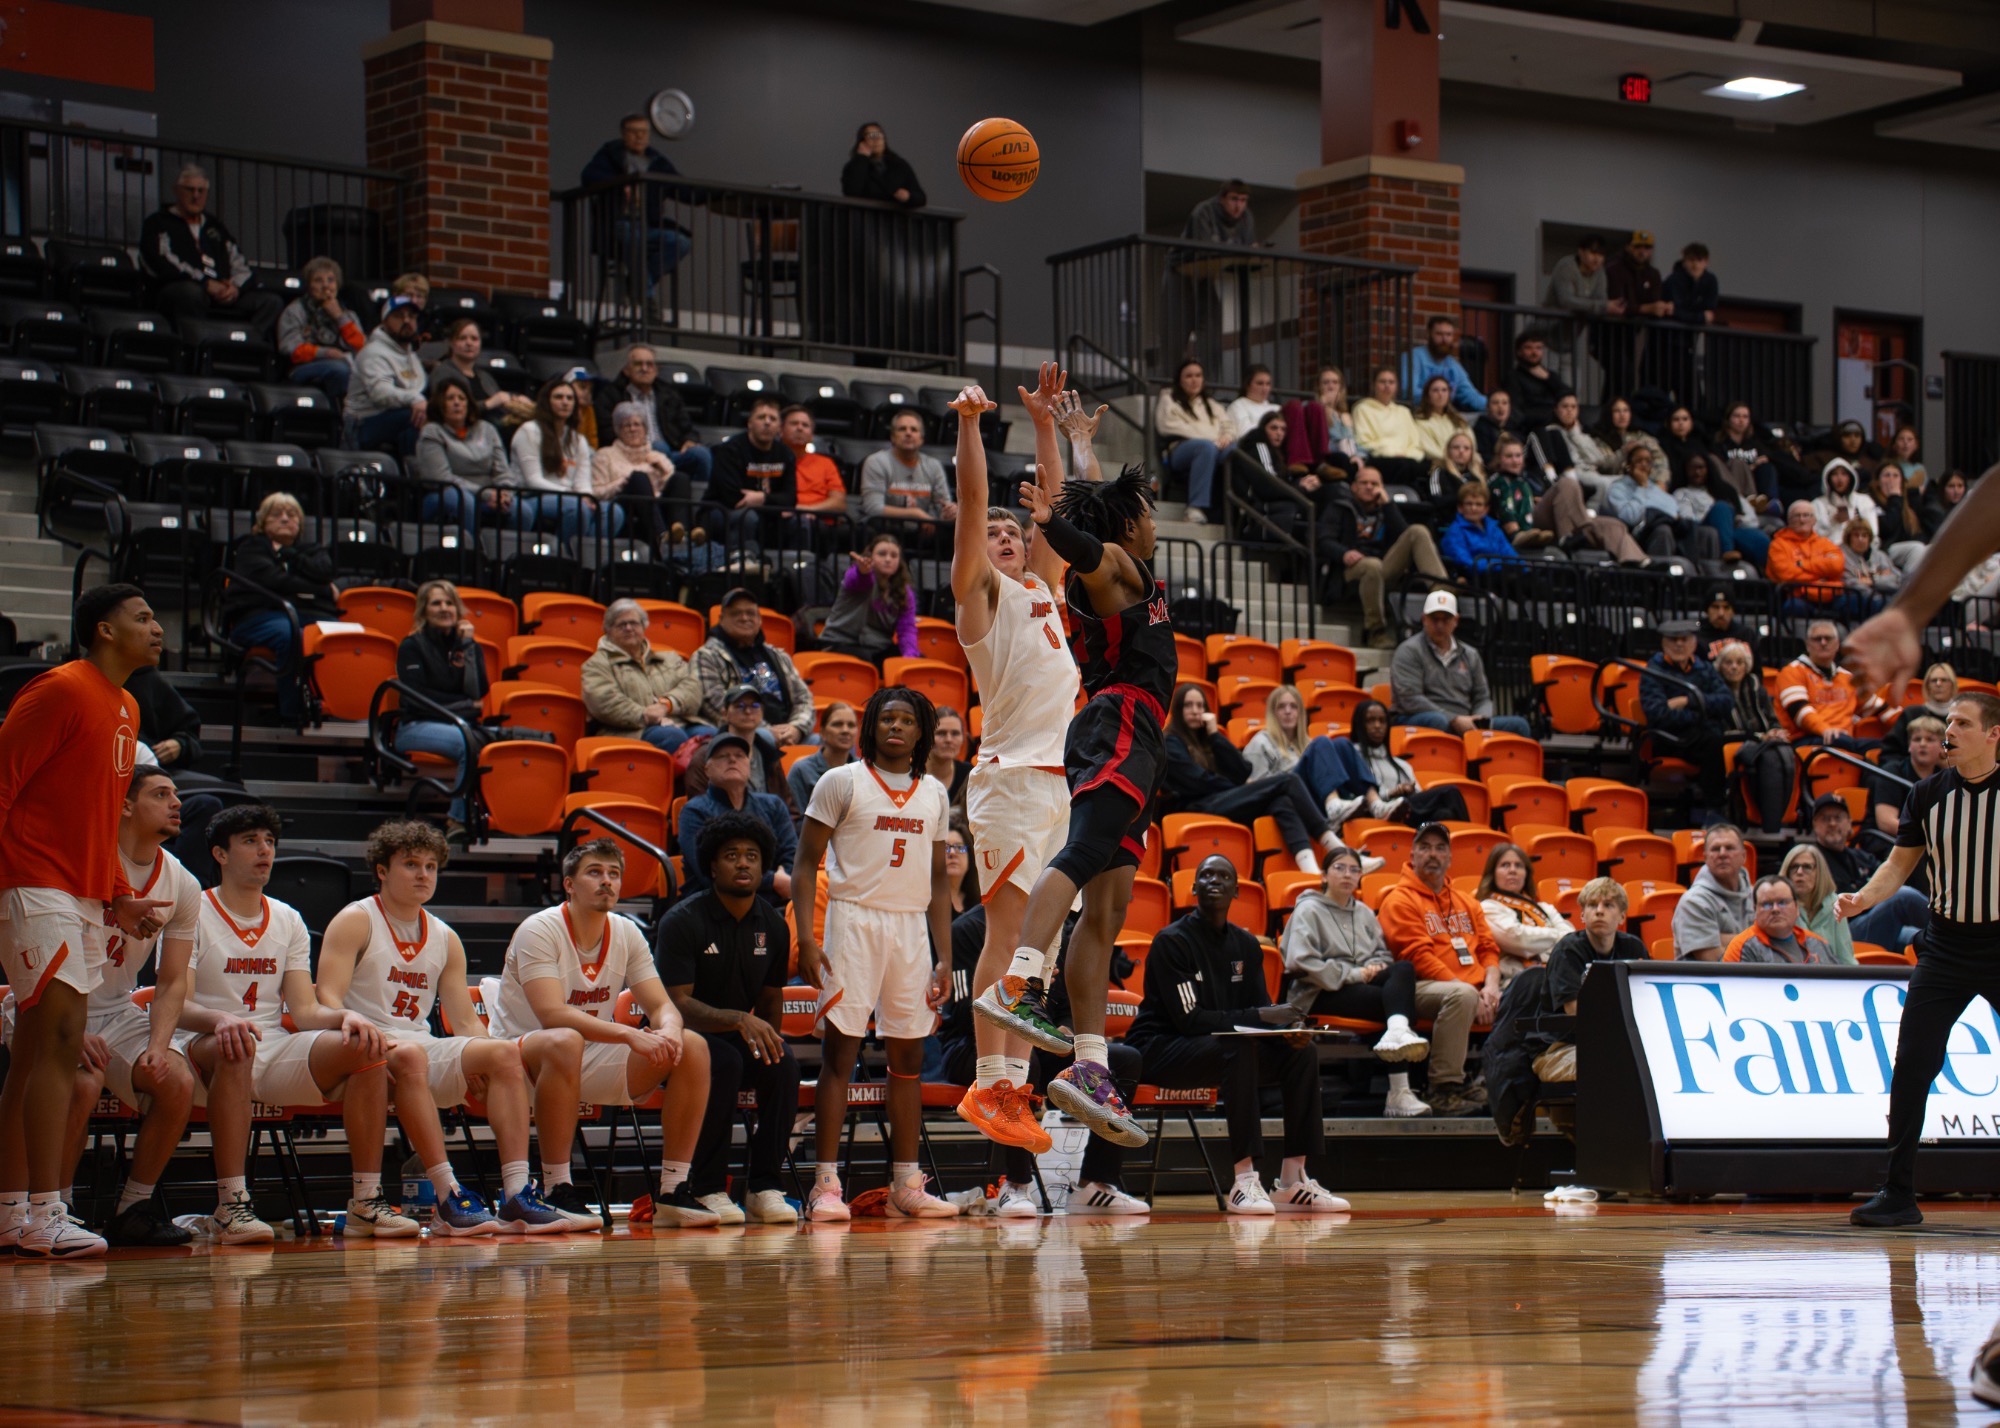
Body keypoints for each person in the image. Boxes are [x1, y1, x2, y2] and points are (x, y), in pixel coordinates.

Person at [981, 459, 1169, 1148]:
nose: (1156, 522)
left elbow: (1099, 523)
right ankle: (1021, 983)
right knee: (1085, 852)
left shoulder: (1126, 566)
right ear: (1128, 525)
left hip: (1140, 731)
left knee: (1111, 908)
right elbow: (1089, 545)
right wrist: (1050, 523)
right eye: (1147, 512)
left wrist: (1083, 455)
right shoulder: (1115, 561)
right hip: (1122, 719)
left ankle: (1090, 1065)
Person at [184, 805, 455, 1241]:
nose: (264, 851)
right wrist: (219, 1019)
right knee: (238, 1044)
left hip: (271, 1043)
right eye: (250, 841)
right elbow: (172, 1001)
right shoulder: (192, 910)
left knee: (369, 1045)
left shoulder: (288, 918)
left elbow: (306, 1012)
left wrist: (348, 1015)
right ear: (220, 853)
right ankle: (230, 1204)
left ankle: (366, 1201)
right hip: (200, 1041)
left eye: (270, 842)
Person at [944, 374, 1095, 1154]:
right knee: (1006, 939)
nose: (1007, 539)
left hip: (1055, 788)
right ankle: (986, 1083)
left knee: (1044, 954)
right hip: (1006, 781)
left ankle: (1019, 1092)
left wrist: (1047, 428)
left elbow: (1058, 511)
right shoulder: (981, 597)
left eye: (1015, 534)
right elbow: (973, 508)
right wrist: (972, 426)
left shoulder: (1043, 587)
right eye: (996, 536)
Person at [0, 586, 174, 1258]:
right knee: (61, 1039)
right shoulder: (60, 690)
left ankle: (14, 1208)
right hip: (33, 881)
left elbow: (101, 818)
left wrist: (116, 894)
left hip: (77, 891)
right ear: (104, 630)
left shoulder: (128, 707)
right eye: (144, 617)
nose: (157, 628)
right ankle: (47, 1207)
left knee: (34, 1051)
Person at [315, 821, 567, 1233]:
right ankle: (448, 1195)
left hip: (416, 1043)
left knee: (504, 1052)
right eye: (411, 864)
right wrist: (350, 1022)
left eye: (431, 866)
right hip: (362, 1046)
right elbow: (327, 996)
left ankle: (517, 1192)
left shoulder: (444, 936)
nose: (423, 875)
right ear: (382, 870)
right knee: (412, 1054)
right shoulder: (356, 920)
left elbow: (465, 1019)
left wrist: (484, 1063)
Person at [488, 838, 719, 1228]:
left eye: (614, 874)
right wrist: (628, 1034)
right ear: (569, 884)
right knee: (564, 1040)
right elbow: (551, 1014)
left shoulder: (626, 932)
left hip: (587, 1055)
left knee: (693, 1046)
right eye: (594, 872)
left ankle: (672, 1191)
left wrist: (671, 1031)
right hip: (520, 1060)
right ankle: (555, 1188)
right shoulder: (539, 930)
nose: (607, 882)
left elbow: (662, 1005)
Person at [1837, 691, 2000, 1227]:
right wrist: (1863, 898)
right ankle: (1898, 1193)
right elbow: (1898, 864)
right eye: (1947, 720)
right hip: (1947, 945)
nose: (1949, 730)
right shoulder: (1927, 795)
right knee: (1912, 1067)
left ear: (1993, 734)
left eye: (1961, 722)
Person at [794, 686, 957, 1220]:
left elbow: (937, 879)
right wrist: (807, 938)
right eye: (886, 717)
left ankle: (905, 1183)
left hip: (911, 928)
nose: (895, 726)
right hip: (853, 920)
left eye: (907, 720)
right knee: (841, 1054)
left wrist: (944, 955)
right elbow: (804, 864)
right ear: (871, 726)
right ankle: (825, 1185)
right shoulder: (840, 781)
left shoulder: (934, 792)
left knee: (908, 1058)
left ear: (921, 731)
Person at [1127, 855, 1346, 1213]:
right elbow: (1191, 1021)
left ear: (1237, 891)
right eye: (1206, 874)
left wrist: (1287, 1030)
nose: (1214, 880)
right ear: (1194, 887)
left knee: (1301, 1053)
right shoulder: (1172, 942)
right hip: (1161, 1049)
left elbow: (1259, 1016)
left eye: (1223, 876)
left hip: (1219, 1049)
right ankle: (1245, 1180)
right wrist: (1261, 1016)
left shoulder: (1246, 946)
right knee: (1238, 1048)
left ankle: (1293, 1180)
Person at [53, 767, 201, 1246]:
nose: (176, 802)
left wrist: (159, 1044)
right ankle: (55, 1207)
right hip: (49, 1002)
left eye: (177, 794)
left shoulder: (183, 883)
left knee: (176, 1078)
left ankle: (133, 1207)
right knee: (83, 1080)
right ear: (124, 805)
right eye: (161, 794)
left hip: (116, 1010)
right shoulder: (81, 857)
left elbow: (173, 979)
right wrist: (71, 1027)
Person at [660, 811, 800, 1225]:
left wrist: (768, 1038)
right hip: (682, 1040)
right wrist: (740, 1019)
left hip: (735, 1036)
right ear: (712, 865)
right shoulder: (683, 921)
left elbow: (771, 1000)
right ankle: (706, 1187)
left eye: (753, 856)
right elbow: (675, 1003)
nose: (743, 863)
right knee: (723, 1061)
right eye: (732, 855)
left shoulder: (773, 924)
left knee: (783, 1063)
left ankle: (764, 1186)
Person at [1279, 847, 1432, 1115]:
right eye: (1339, 868)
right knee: (1395, 1004)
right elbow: (1300, 962)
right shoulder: (1308, 909)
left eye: (1354, 869)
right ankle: (1400, 1091)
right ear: (1324, 875)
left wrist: (1376, 966)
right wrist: (1354, 974)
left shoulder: (1363, 912)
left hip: (1362, 984)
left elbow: (1383, 952)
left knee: (1404, 969)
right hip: (1319, 990)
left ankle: (1398, 1033)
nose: (1347, 874)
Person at [1161, 682, 1345, 876]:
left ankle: (1309, 869)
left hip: (1218, 801)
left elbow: (1242, 770)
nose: (1195, 711)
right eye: (1188, 705)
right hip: (1193, 806)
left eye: (1200, 706)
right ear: (1178, 709)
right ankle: (1333, 846)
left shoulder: (1209, 740)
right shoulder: (1170, 741)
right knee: (1288, 780)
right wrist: (1236, 787)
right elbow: (1198, 782)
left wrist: (1215, 735)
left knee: (1281, 801)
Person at [1375, 824, 1495, 1116]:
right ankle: (1443, 1087)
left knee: (1525, 989)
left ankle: (1498, 1082)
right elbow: (1418, 956)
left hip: (1473, 989)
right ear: (1412, 854)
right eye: (1425, 847)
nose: (1433, 854)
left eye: (1440, 848)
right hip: (1420, 987)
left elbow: (1488, 949)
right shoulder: (1399, 899)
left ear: (1450, 857)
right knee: (1462, 995)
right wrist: (1471, 991)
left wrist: (1491, 987)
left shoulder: (1467, 901)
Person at [1522, 878, 1647, 1101]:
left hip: (1613, 1044)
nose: (1599, 911)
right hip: (1558, 1049)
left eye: (1608, 905)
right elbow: (1578, 1013)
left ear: (1622, 916)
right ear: (1582, 915)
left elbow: (1646, 1003)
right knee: (1611, 1066)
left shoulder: (1633, 947)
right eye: (1592, 905)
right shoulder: (1568, 951)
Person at [222, 491, 337, 722]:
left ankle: (335, 707)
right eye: (277, 514)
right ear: (263, 521)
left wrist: (292, 558)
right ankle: (292, 712)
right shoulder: (251, 548)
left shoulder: (312, 550)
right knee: (289, 632)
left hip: (307, 615)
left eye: (292, 514)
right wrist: (322, 590)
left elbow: (324, 571)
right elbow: (275, 581)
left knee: (340, 635)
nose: (285, 518)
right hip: (258, 618)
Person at [393, 581, 489, 838]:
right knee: (467, 742)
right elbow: (418, 698)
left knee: (502, 747)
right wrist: (467, 707)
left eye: (449, 603)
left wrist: (468, 647)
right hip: (415, 726)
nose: (444, 609)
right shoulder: (411, 646)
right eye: (436, 603)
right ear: (423, 610)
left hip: (459, 724)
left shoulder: (468, 645)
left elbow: (477, 691)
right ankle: (457, 821)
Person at [137, 164, 281, 333]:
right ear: (177, 190)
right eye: (190, 190)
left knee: (271, 302)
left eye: (201, 191)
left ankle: (243, 350)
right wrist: (205, 283)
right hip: (178, 291)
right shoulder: (158, 222)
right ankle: (195, 350)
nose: (196, 196)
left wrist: (234, 288)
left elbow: (239, 263)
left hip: (220, 292)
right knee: (190, 293)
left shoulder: (215, 227)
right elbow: (161, 262)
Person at [1317, 465, 1449, 649]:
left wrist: (1388, 505)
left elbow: (1404, 535)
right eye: (1364, 483)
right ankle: (1376, 631)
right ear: (1354, 486)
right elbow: (1324, 540)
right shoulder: (1340, 507)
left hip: (1382, 566)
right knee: (1372, 565)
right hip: (1349, 569)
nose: (1369, 487)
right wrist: (1343, 553)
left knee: (1417, 531)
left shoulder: (1385, 511)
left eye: (1374, 483)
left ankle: (1442, 592)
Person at [1294, 698, 1467, 831]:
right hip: (1370, 813)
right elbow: (1353, 799)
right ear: (1359, 725)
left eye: (1382, 721)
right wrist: (1390, 793)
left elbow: (1421, 801)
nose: (1377, 726)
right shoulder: (1348, 756)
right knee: (1449, 792)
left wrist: (1410, 791)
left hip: (1404, 814)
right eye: (1370, 721)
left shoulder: (1402, 765)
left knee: (1444, 816)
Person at [581, 114, 692, 317]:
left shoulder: (656, 161)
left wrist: (713, 197)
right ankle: (646, 297)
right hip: (618, 224)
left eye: (643, 132)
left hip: (648, 225)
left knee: (680, 242)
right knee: (634, 237)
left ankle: (636, 284)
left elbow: (680, 187)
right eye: (634, 132)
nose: (639, 137)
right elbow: (589, 176)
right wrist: (620, 184)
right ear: (624, 134)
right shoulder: (610, 155)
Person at [1387, 589, 1531, 737]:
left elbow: (1482, 697)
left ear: (1456, 620)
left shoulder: (1470, 654)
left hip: (1465, 719)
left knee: (1519, 725)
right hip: (1419, 718)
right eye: (1434, 619)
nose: (1440, 625)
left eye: (1446, 619)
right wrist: (1453, 719)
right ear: (1424, 619)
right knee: (1437, 721)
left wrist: (1479, 718)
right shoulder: (1409, 650)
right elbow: (1410, 699)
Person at [1491, 433, 1645, 564]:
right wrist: (1516, 534)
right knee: (1567, 483)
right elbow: (1507, 514)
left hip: (1553, 523)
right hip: (1529, 531)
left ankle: (1637, 563)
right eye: (1508, 456)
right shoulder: (1498, 481)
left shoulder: (1526, 481)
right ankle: (1569, 537)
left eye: (1518, 456)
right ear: (1498, 459)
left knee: (1612, 525)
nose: (1515, 460)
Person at [679, 733, 796, 903]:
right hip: (710, 908)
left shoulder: (773, 805)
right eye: (723, 756)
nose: (732, 760)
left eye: (739, 756)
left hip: (772, 904)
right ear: (707, 769)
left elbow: (791, 854)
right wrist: (773, 882)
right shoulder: (694, 811)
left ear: (749, 767)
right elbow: (707, 873)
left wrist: (784, 879)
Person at [581, 599, 710, 752]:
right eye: (621, 624)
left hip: (678, 722)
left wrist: (666, 705)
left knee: (711, 736)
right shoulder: (596, 664)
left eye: (634, 623)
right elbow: (604, 702)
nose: (629, 628)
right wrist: (646, 715)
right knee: (672, 737)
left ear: (644, 627)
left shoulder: (669, 658)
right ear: (607, 630)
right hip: (629, 731)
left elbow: (692, 687)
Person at [1809, 792, 1928, 951]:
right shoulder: (1810, 860)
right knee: (1903, 897)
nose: (1832, 823)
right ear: (1814, 824)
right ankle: (1952, 929)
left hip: (1879, 924)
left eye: (1838, 818)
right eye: (1825, 818)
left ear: (1849, 823)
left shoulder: (1862, 857)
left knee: (1924, 938)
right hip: (1842, 934)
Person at [694, 588, 816, 741]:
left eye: (750, 613)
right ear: (721, 619)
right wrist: (766, 730)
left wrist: (796, 728)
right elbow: (715, 704)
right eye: (736, 613)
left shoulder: (778, 655)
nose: (745, 618)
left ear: (759, 619)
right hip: (740, 732)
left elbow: (804, 698)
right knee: (765, 737)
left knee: (819, 742)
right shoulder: (707, 656)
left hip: (787, 730)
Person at [1639, 619, 1734, 811]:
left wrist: (1688, 702)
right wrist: (1701, 715)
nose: (1679, 644)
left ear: (1694, 643)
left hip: (1701, 734)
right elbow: (1659, 715)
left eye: (1684, 639)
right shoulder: (1653, 672)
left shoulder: (1704, 668)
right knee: (1714, 742)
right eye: (1673, 640)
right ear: (1664, 643)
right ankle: (1715, 810)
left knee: (1737, 745)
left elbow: (1726, 701)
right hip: (1670, 738)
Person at [415, 376, 526, 534]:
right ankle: (468, 553)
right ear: (439, 404)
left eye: (462, 398)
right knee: (463, 500)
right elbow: (441, 478)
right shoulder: (432, 431)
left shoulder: (487, 429)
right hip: (445, 493)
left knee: (522, 510)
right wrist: (487, 494)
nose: (457, 402)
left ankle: (507, 555)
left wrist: (504, 494)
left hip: (490, 494)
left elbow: (502, 471)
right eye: (450, 398)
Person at [515, 379, 621, 540]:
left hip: (570, 498)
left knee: (614, 511)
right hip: (532, 496)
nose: (565, 402)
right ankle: (563, 554)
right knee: (577, 508)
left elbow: (582, 481)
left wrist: (587, 497)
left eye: (570, 398)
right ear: (546, 401)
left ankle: (586, 557)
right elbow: (533, 480)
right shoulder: (529, 431)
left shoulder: (577, 439)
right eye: (558, 397)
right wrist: (572, 495)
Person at [1713, 640, 1795, 835]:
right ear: (1720, 666)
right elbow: (1720, 729)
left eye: (1739, 662)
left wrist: (1775, 731)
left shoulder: (1756, 685)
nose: (1734, 667)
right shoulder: (1715, 688)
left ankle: (1777, 817)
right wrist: (1760, 736)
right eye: (1729, 662)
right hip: (1733, 742)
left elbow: (1771, 718)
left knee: (1784, 751)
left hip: (1762, 742)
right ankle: (1764, 819)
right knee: (1766, 756)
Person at [593, 345, 711, 480]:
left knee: (701, 454)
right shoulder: (611, 395)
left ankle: (699, 499)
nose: (645, 369)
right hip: (631, 455)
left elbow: (687, 427)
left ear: (656, 370)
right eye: (638, 364)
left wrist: (690, 440)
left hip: (671, 453)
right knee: (659, 447)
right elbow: (606, 430)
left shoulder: (669, 394)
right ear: (626, 370)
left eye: (649, 364)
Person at [705, 394, 800, 556]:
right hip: (720, 512)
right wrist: (772, 503)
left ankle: (794, 571)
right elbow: (732, 496)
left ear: (779, 427)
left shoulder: (785, 454)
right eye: (761, 417)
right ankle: (740, 567)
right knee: (748, 517)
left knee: (798, 522)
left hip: (763, 512)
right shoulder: (730, 450)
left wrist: (762, 499)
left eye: (773, 419)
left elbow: (790, 498)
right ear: (749, 423)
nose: (767, 422)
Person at [681, 683, 795, 808]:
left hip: (769, 825)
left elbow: (788, 806)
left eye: (755, 705)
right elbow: (699, 810)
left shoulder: (769, 753)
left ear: (762, 713)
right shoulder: (705, 756)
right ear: (724, 713)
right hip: (723, 825)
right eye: (739, 706)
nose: (748, 711)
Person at [1475, 842, 1573, 989]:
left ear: (1526, 874)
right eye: (1505, 865)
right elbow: (1518, 938)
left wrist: (1541, 940)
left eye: (1519, 866)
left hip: (1556, 975)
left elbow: (1570, 940)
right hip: (1513, 981)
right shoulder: (1488, 907)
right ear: (1493, 873)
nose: (1512, 870)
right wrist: (1556, 935)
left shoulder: (1545, 908)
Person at [1778, 619, 1885, 751]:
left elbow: (1878, 708)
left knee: (1883, 748)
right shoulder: (1792, 672)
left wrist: (1906, 726)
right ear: (1807, 645)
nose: (1823, 643)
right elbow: (1799, 712)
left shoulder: (1847, 678)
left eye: (1828, 638)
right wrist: (1825, 730)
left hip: (1844, 740)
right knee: (1849, 744)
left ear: (1837, 644)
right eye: (1817, 639)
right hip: (1807, 739)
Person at [592, 399, 686, 549]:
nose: (632, 429)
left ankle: (681, 534)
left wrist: (664, 471)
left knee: (680, 478)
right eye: (626, 425)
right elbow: (596, 492)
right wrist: (622, 482)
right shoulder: (604, 455)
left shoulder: (656, 456)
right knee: (638, 477)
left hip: (655, 507)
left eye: (637, 424)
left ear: (645, 429)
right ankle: (660, 535)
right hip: (624, 508)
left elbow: (669, 488)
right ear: (617, 430)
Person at [345, 295, 429, 454]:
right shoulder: (374, 353)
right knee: (416, 417)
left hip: (394, 417)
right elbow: (381, 394)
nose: (406, 321)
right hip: (363, 422)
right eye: (398, 316)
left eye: (411, 316)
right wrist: (415, 399)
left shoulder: (409, 354)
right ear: (384, 322)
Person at [277, 255, 365, 406]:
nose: (326, 286)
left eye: (330, 280)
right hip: (303, 368)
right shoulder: (295, 310)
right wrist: (326, 353)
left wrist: (339, 317)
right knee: (340, 369)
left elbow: (362, 347)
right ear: (309, 286)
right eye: (318, 280)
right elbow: (290, 348)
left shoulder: (348, 315)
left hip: (347, 364)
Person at [1156, 360, 1236, 526]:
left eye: (1198, 375)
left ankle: (1238, 506)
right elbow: (1167, 426)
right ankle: (1195, 508)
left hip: (1214, 447)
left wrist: (1226, 437)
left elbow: (1229, 426)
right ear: (1180, 380)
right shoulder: (1168, 398)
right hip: (1180, 449)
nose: (1194, 380)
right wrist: (1213, 438)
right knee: (1205, 447)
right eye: (1189, 376)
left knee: (1234, 449)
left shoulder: (1212, 404)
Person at [819, 533, 918, 665]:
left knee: (916, 661)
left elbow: (907, 629)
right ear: (870, 556)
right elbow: (860, 581)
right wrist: (863, 572)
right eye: (882, 554)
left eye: (894, 555)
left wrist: (909, 656)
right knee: (865, 660)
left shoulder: (904, 592)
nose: (888, 559)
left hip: (877, 648)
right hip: (839, 642)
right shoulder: (856, 574)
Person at [1670, 823, 1755, 960]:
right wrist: (1757, 939)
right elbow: (1715, 962)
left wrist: (1723, 940)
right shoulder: (1694, 902)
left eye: (1729, 848)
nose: (1722, 854)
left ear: (1743, 856)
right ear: (1705, 857)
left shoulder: (1757, 896)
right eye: (1715, 849)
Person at [429, 318, 535, 427]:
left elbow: (501, 401)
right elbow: (445, 408)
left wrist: (515, 398)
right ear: (451, 343)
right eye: (462, 338)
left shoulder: (485, 376)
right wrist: (489, 403)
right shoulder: (442, 372)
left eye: (474, 339)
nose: (469, 343)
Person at [1674, 450, 1769, 567]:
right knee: (1721, 508)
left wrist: (1737, 520)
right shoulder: (1682, 493)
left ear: (1708, 469)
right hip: (1706, 529)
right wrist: (1719, 517)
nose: (1697, 472)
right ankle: (1727, 551)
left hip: (1733, 529)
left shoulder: (1725, 490)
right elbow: (1688, 519)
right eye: (1692, 468)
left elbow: (1751, 518)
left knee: (1760, 539)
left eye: (1701, 468)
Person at [1721, 875, 1831, 964]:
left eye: (1782, 902)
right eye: (1767, 904)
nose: (1775, 909)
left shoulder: (1817, 943)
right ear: (1755, 910)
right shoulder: (1742, 946)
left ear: (1796, 908)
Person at [1350, 367, 1428, 488]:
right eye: (1382, 382)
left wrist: (1407, 454)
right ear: (1373, 385)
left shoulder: (1404, 412)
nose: (1387, 386)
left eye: (1391, 382)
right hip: (1379, 458)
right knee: (1404, 466)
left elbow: (1415, 442)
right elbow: (1362, 440)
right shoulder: (1362, 409)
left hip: (1406, 458)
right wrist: (1391, 452)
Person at [1780, 844, 1857, 966]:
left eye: (1807, 867)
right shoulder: (1779, 907)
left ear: (1819, 872)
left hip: (1829, 981)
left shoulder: (1835, 905)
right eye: (1794, 867)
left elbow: (1846, 959)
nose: (1799, 872)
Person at [1532, 393, 1620, 499]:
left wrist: (1576, 435)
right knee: (1607, 484)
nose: (1569, 410)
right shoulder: (1550, 432)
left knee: (1626, 482)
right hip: (1573, 473)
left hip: (1593, 472)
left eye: (1573, 407)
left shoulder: (1583, 432)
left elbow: (1598, 459)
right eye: (1565, 406)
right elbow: (1570, 461)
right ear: (1556, 409)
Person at [1874, 713, 1945, 842]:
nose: (1922, 744)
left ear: (1942, 747)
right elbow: (1886, 823)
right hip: (1890, 841)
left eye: (1930, 739)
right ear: (1909, 746)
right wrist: (1929, 836)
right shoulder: (1892, 772)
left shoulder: (1944, 775)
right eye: (1917, 739)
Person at [1769, 502, 1852, 610]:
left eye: (1806, 515)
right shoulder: (1778, 545)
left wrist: (1802, 564)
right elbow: (1785, 575)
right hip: (1798, 597)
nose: (1802, 520)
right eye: (1797, 516)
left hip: (1830, 596)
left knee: (1855, 602)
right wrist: (1822, 576)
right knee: (1794, 607)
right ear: (1789, 520)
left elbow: (1836, 566)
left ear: (1814, 520)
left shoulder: (1825, 543)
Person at [1281, 366, 1360, 479]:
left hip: (1348, 456)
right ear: (1318, 387)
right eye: (1326, 383)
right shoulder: (1310, 409)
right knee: (1341, 458)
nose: (1331, 386)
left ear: (1341, 387)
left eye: (1335, 382)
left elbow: (1354, 443)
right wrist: (1322, 404)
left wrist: (1358, 456)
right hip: (1325, 456)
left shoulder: (1344, 415)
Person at [1403, 316, 1487, 414]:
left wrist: (1494, 404)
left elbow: (1470, 394)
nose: (1444, 339)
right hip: (1418, 414)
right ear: (1429, 334)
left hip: (1444, 416)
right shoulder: (1414, 357)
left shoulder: (1453, 365)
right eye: (1439, 334)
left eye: (1448, 335)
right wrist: (1438, 398)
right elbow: (1407, 391)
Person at [788, 701, 857, 812]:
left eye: (851, 725)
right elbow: (797, 821)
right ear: (822, 733)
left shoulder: (866, 770)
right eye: (837, 724)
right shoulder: (801, 770)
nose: (845, 730)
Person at [1439, 481, 1519, 576]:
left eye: (1478, 504)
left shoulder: (1494, 528)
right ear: (1460, 507)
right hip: (1478, 581)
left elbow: (1510, 554)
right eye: (1469, 504)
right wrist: (1500, 565)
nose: (1474, 508)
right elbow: (1466, 564)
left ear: (1486, 509)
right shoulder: (1454, 532)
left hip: (1504, 576)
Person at [782, 405, 848, 517]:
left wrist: (806, 510)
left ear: (812, 435)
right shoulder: (772, 461)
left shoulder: (826, 464)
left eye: (805, 425)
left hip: (819, 520)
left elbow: (839, 504)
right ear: (780, 430)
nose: (800, 428)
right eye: (794, 423)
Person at [841, 121, 925, 207]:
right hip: (865, 217)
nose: (876, 140)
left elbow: (921, 198)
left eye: (879, 135)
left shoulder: (899, 165)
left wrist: (908, 197)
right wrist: (861, 159)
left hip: (894, 218)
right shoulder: (854, 167)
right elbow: (852, 192)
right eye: (870, 135)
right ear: (862, 142)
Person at [1502, 330, 1572, 431]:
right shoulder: (1513, 377)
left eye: (1538, 348)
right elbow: (1517, 409)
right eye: (1528, 348)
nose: (1534, 352)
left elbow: (1569, 395)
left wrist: (1548, 379)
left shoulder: (1550, 376)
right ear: (1519, 351)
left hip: (1558, 425)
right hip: (1533, 428)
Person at [1871, 463, 1931, 576]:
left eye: (1895, 476)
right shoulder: (1871, 501)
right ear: (1878, 482)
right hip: (1883, 549)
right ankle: (1909, 588)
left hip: (1903, 548)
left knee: (1932, 549)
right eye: (1886, 475)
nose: (1891, 480)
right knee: (1916, 548)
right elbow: (1887, 527)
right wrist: (1894, 498)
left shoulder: (1907, 504)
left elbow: (1916, 533)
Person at [1543, 234, 1622, 319]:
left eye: (1601, 255)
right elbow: (1566, 301)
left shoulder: (1600, 271)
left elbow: (1601, 299)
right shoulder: (1566, 266)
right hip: (1547, 326)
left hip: (1570, 329)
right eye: (1593, 253)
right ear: (1581, 252)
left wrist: (1608, 306)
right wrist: (1602, 306)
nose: (1597, 259)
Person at [1244, 684, 1310, 781]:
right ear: (1273, 713)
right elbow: (1257, 789)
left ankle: (1334, 796)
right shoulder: (1260, 744)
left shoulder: (1309, 745)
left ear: (1300, 712)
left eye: (1294, 706)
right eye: (1281, 707)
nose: (1288, 711)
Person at [1420, 430, 1482, 531]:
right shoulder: (1439, 473)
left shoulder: (1476, 478)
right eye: (1456, 447)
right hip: (1448, 525)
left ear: (1472, 453)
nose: (1461, 451)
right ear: (1448, 451)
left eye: (1466, 448)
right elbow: (1436, 501)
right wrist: (1463, 496)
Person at [1413, 377, 1474, 470]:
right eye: (1435, 390)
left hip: (1465, 465)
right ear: (1427, 395)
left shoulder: (1459, 420)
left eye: (1444, 390)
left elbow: (1471, 443)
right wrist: (1450, 461)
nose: (1440, 394)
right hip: (1439, 467)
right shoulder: (1420, 421)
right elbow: (1428, 448)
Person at [1815, 459, 1881, 544]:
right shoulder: (1817, 504)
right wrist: (1834, 522)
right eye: (1835, 474)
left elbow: (1873, 531)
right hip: (1828, 550)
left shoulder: (1864, 501)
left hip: (1858, 550)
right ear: (1827, 478)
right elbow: (1814, 534)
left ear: (1851, 477)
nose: (1840, 479)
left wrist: (1852, 523)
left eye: (1844, 474)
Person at [1841, 518, 1900, 605]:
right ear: (1849, 538)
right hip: (1861, 600)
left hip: (1886, 597)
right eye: (1856, 535)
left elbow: (1897, 580)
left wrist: (1873, 581)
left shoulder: (1880, 556)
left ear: (1869, 539)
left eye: (1864, 535)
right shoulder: (1842, 556)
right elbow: (1849, 583)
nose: (1860, 539)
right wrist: (1881, 577)